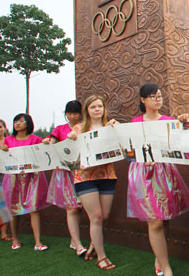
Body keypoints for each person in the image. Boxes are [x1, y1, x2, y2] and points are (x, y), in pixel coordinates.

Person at [128, 83, 189, 276]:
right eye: (153, 96)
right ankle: (166, 268)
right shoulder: (134, 123)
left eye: (159, 96)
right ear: (143, 100)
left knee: (164, 218)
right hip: (143, 174)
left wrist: (183, 122)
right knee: (155, 221)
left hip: (165, 173)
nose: (158, 99)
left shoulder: (168, 120)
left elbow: (178, 144)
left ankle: (159, 259)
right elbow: (129, 151)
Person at [67, 95, 118, 270]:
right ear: (87, 111)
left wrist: (118, 130)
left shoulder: (110, 127)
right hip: (85, 177)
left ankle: (93, 245)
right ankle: (101, 257)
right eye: (93, 107)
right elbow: (71, 153)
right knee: (95, 217)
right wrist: (72, 138)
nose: (97, 109)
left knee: (103, 216)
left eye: (100, 106)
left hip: (107, 176)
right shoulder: (79, 128)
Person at [42, 100, 86, 256]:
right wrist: (47, 141)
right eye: (69, 113)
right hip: (65, 172)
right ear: (65, 114)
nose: (72, 116)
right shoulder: (59, 129)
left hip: (81, 171)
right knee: (72, 207)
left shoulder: (84, 127)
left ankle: (74, 240)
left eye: (75, 112)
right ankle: (78, 244)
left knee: (79, 207)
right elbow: (51, 141)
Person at [1, 113, 49, 251]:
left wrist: (45, 143)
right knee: (13, 209)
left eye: (21, 121)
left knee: (34, 208)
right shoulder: (8, 140)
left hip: (32, 176)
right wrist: (4, 150)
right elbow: (4, 158)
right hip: (13, 177)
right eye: (15, 121)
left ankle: (38, 242)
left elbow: (42, 152)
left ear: (28, 123)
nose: (17, 123)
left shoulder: (35, 139)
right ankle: (15, 239)